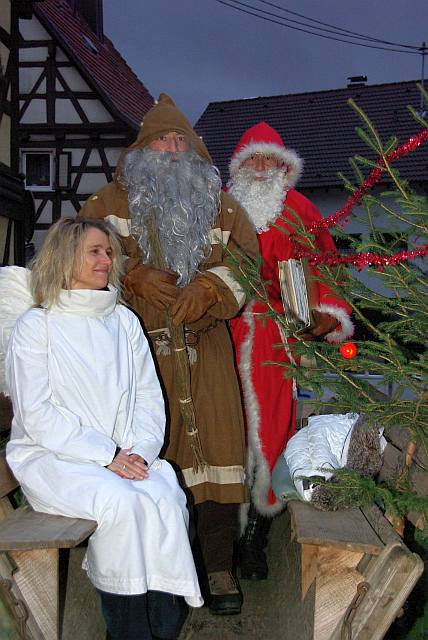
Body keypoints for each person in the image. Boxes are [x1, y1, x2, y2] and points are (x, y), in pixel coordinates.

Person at [79, 94, 259, 615]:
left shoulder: (224, 207)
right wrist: (130, 276)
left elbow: (247, 263)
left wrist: (209, 288)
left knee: (220, 459)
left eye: (182, 140)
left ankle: (218, 566)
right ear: (141, 150)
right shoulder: (106, 205)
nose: (173, 149)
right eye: (162, 140)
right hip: (138, 357)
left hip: (208, 351)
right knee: (150, 462)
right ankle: (157, 575)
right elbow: (78, 260)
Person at [5, 217, 203, 640]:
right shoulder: (36, 325)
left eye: (108, 252)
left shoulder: (123, 321)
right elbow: (38, 414)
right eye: (94, 251)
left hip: (123, 456)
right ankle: (127, 631)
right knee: (122, 504)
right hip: (53, 458)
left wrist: (140, 452)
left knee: (164, 496)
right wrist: (106, 455)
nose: (106, 259)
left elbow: (149, 397)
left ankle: (162, 629)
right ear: (64, 258)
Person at [227, 122, 354, 581]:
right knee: (227, 430)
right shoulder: (221, 209)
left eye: (270, 159)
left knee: (272, 430)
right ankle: (222, 531)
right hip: (223, 333)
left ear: (284, 165)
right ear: (240, 166)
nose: (262, 168)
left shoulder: (300, 210)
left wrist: (328, 314)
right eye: (253, 159)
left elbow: (326, 266)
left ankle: (255, 534)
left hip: (278, 338)